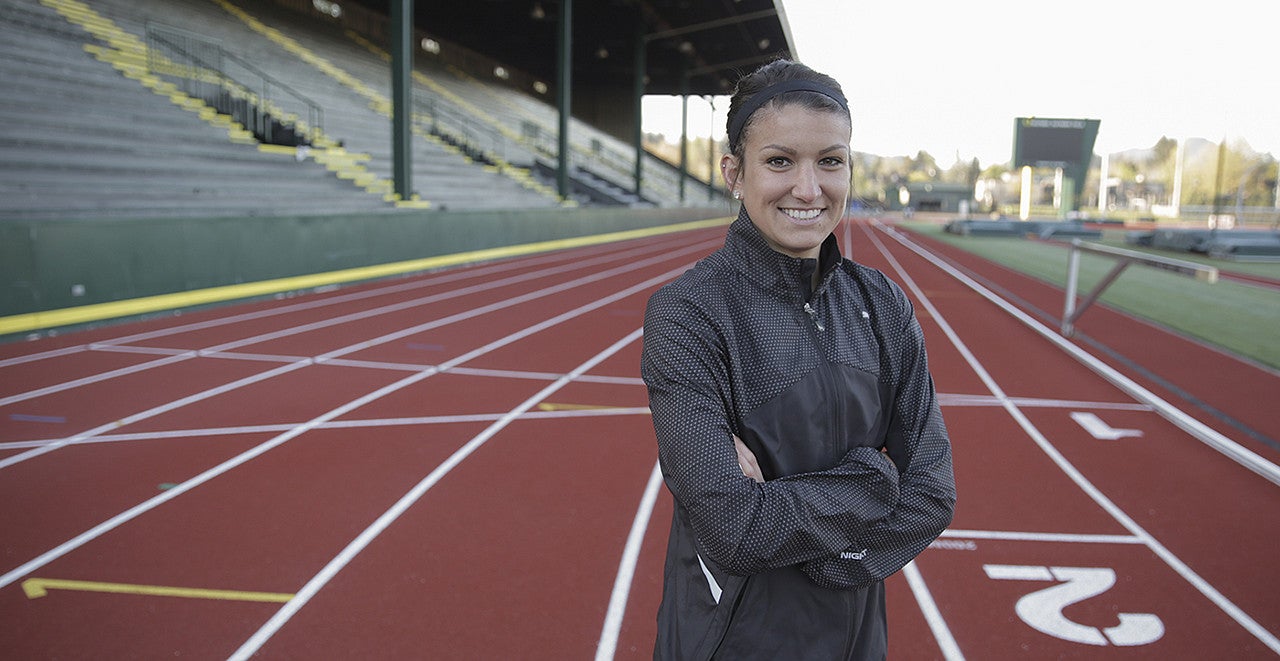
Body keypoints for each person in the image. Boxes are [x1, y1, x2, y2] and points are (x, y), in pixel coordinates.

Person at [640, 59, 957, 660]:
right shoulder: (689, 314)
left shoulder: (882, 302)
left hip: (859, 641)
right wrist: (874, 481)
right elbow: (734, 530)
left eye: (830, 161)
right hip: (728, 644)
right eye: (780, 161)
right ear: (735, 173)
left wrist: (828, 561)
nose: (809, 189)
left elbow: (934, 494)